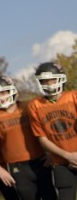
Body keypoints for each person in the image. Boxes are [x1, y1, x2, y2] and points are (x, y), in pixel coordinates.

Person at [0, 75, 55, 200]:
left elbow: (48, 128)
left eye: (3, 92)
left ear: (11, 90)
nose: (1, 97)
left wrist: (52, 154)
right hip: (17, 167)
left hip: (41, 161)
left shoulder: (29, 106)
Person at [27, 62, 77, 200]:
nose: (49, 84)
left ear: (61, 78)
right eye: (45, 81)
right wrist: (68, 156)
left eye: (52, 79)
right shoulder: (35, 106)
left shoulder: (74, 97)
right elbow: (42, 138)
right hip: (60, 161)